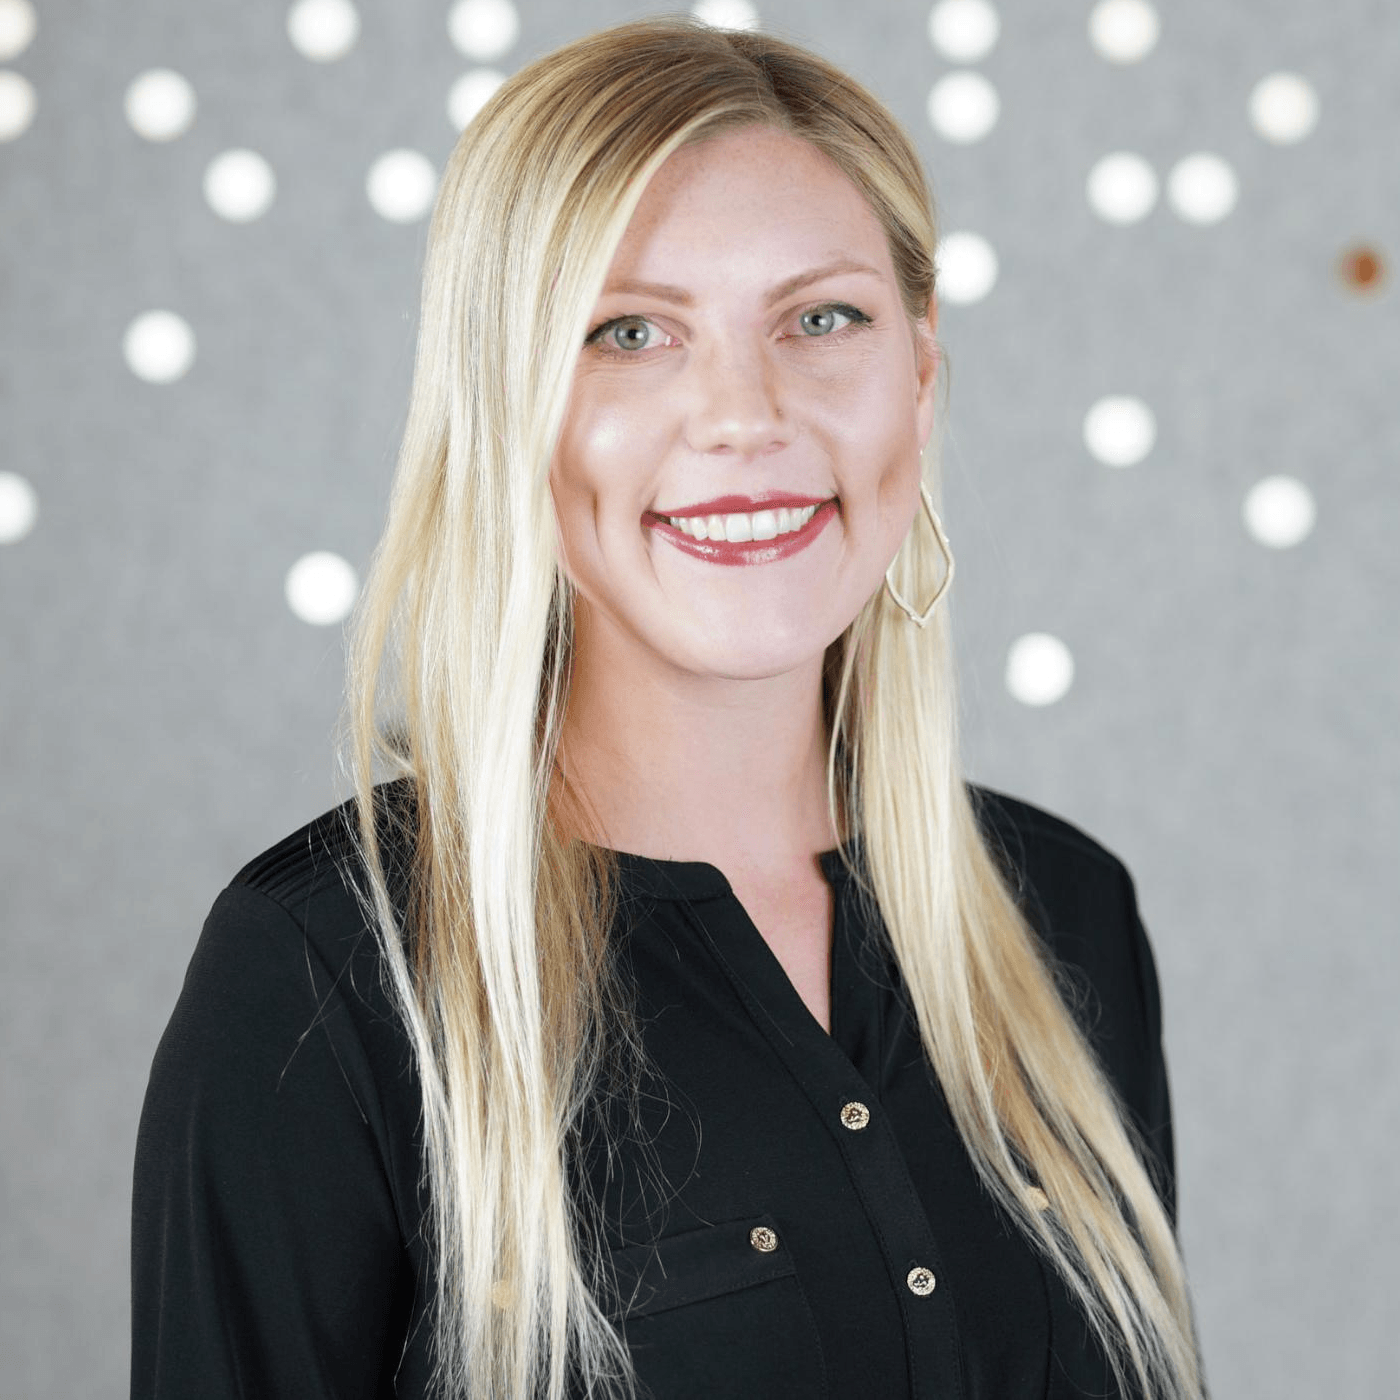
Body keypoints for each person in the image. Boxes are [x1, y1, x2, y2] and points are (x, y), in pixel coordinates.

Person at [131, 17, 1206, 1400]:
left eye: (822, 319)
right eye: (629, 333)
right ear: (504, 404)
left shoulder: (1065, 915)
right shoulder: (326, 978)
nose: (744, 417)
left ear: (920, 379)